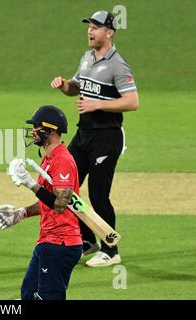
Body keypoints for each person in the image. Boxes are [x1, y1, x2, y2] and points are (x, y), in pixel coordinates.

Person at [51, 10, 139, 267]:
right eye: (89, 26)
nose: (90, 31)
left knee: (99, 195)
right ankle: (87, 240)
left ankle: (111, 250)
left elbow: (132, 102)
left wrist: (96, 105)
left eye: (96, 27)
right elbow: (77, 88)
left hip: (106, 137)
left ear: (109, 33)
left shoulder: (118, 65)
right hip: (83, 134)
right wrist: (64, 85)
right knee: (65, 187)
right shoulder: (87, 57)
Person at [0, 105, 82, 300]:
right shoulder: (48, 159)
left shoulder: (62, 160)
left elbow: (61, 204)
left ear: (52, 130)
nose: (32, 131)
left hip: (61, 244)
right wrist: (21, 213)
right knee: (28, 294)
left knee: (47, 297)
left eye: (37, 127)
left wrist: (31, 184)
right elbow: (48, 204)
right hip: (48, 241)